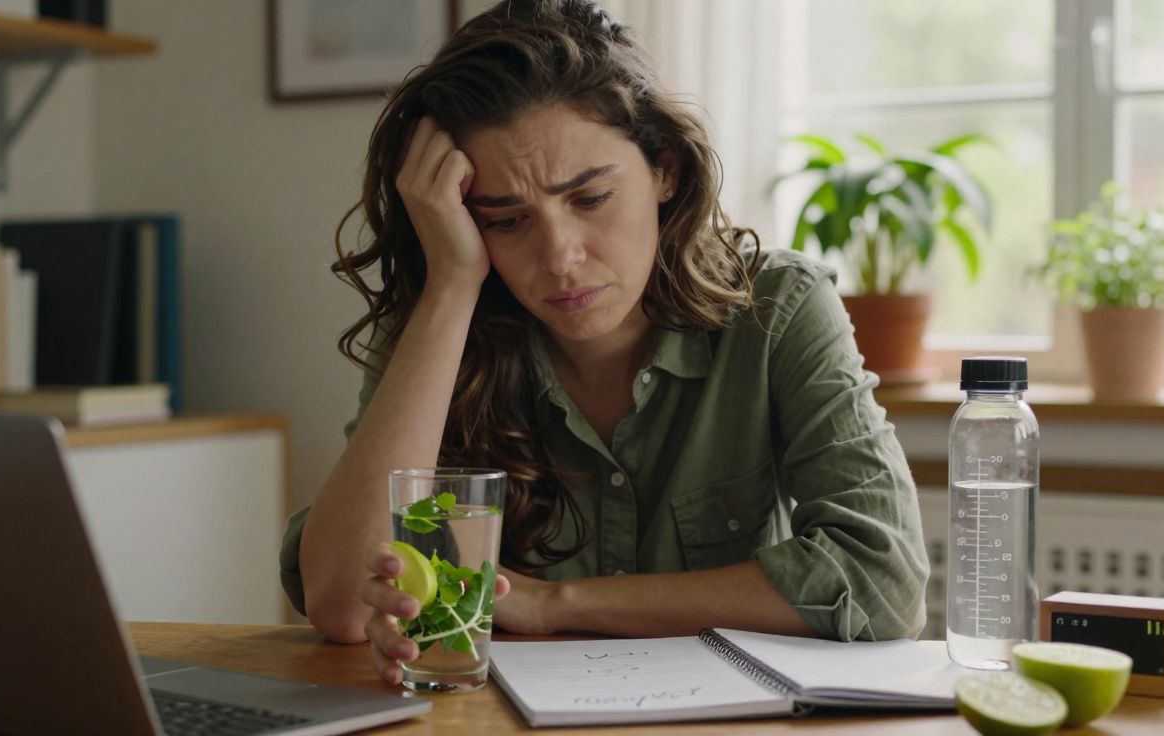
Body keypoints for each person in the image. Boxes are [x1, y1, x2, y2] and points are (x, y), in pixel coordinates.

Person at [279, 0, 929, 685]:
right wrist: (449, 287)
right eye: (506, 220)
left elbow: (883, 582)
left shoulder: (779, 306)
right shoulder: (439, 314)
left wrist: (551, 604)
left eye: (589, 200)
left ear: (665, 169)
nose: (559, 257)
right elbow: (344, 606)